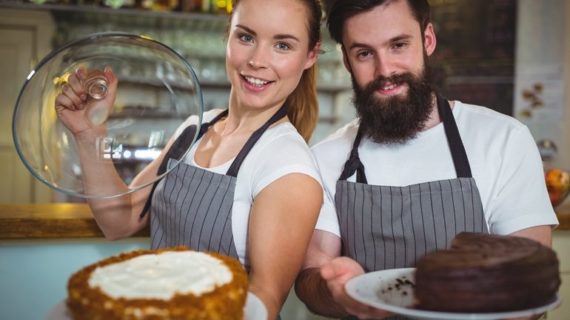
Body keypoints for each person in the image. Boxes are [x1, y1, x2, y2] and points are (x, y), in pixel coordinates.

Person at [54, 0, 325, 318]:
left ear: (310, 56)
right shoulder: (197, 127)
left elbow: (262, 302)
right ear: (227, 37)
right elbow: (120, 219)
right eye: (246, 37)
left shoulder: (289, 167)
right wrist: (89, 134)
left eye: (282, 45)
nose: (256, 60)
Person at [294, 0, 559, 319]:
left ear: (427, 40)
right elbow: (312, 280)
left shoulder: (504, 140)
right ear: (348, 61)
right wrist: (335, 288)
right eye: (364, 53)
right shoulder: (325, 157)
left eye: (399, 45)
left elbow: (531, 281)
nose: (386, 70)